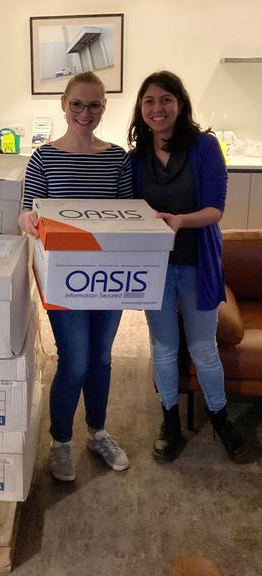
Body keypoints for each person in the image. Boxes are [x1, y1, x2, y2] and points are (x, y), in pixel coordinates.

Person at [127, 70, 249, 462]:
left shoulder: (204, 147)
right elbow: (128, 214)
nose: (157, 108)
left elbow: (216, 210)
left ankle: (218, 415)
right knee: (163, 347)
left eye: (166, 99)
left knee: (203, 348)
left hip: (196, 262)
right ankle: (170, 421)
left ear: (180, 104)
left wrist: (179, 221)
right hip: (154, 269)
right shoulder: (135, 159)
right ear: (140, 108)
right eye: (149, 101)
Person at [19, 71, 133, 481]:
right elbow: (27, 209)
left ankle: (98, 432)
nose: (86, 113)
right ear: (64, 106)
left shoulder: (117, 158)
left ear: (104, 107)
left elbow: (128, 217)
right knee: (76, 360)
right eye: (78, 104)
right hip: (64, 277)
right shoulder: (44, 157)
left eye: (95, 105)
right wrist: (28, 219)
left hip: (108, 278)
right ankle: (61, 441)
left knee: (101, 359)